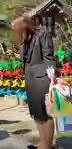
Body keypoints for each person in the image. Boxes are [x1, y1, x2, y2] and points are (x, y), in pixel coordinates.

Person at [12, 15, 55, 149]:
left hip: (42, 78)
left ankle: (47, 145)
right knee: (35, 113)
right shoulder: (24, 41)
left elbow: (48, 56)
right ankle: (42, 142)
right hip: (30, 78)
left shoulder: (43, 34)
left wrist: (51, 78)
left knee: (44, 113)